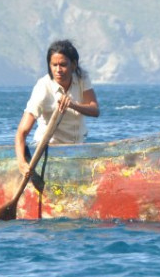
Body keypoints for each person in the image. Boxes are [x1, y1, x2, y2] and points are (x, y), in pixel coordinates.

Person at [14, 39, 100, 176]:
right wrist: (21, 162)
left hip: (77, 148)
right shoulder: (43, 88)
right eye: (54, 65)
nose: (58, 70)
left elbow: (95, 110)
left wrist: (73, 105)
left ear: (73, 65)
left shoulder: (82, 77)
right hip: (49, 151)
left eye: (63, 65)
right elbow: (21, 132)